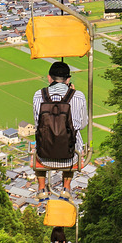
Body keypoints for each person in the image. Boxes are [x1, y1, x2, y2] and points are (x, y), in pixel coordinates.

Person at [33, 61, 87, 201]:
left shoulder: (39, 95)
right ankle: (66, 188)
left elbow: (37, 123)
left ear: (49, 78)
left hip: (43, 157)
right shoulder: (78, 96)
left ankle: (41, 188)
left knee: (39, 138)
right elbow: (82, 124)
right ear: (68, 80)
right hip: (70, 157)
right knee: (75, 137)